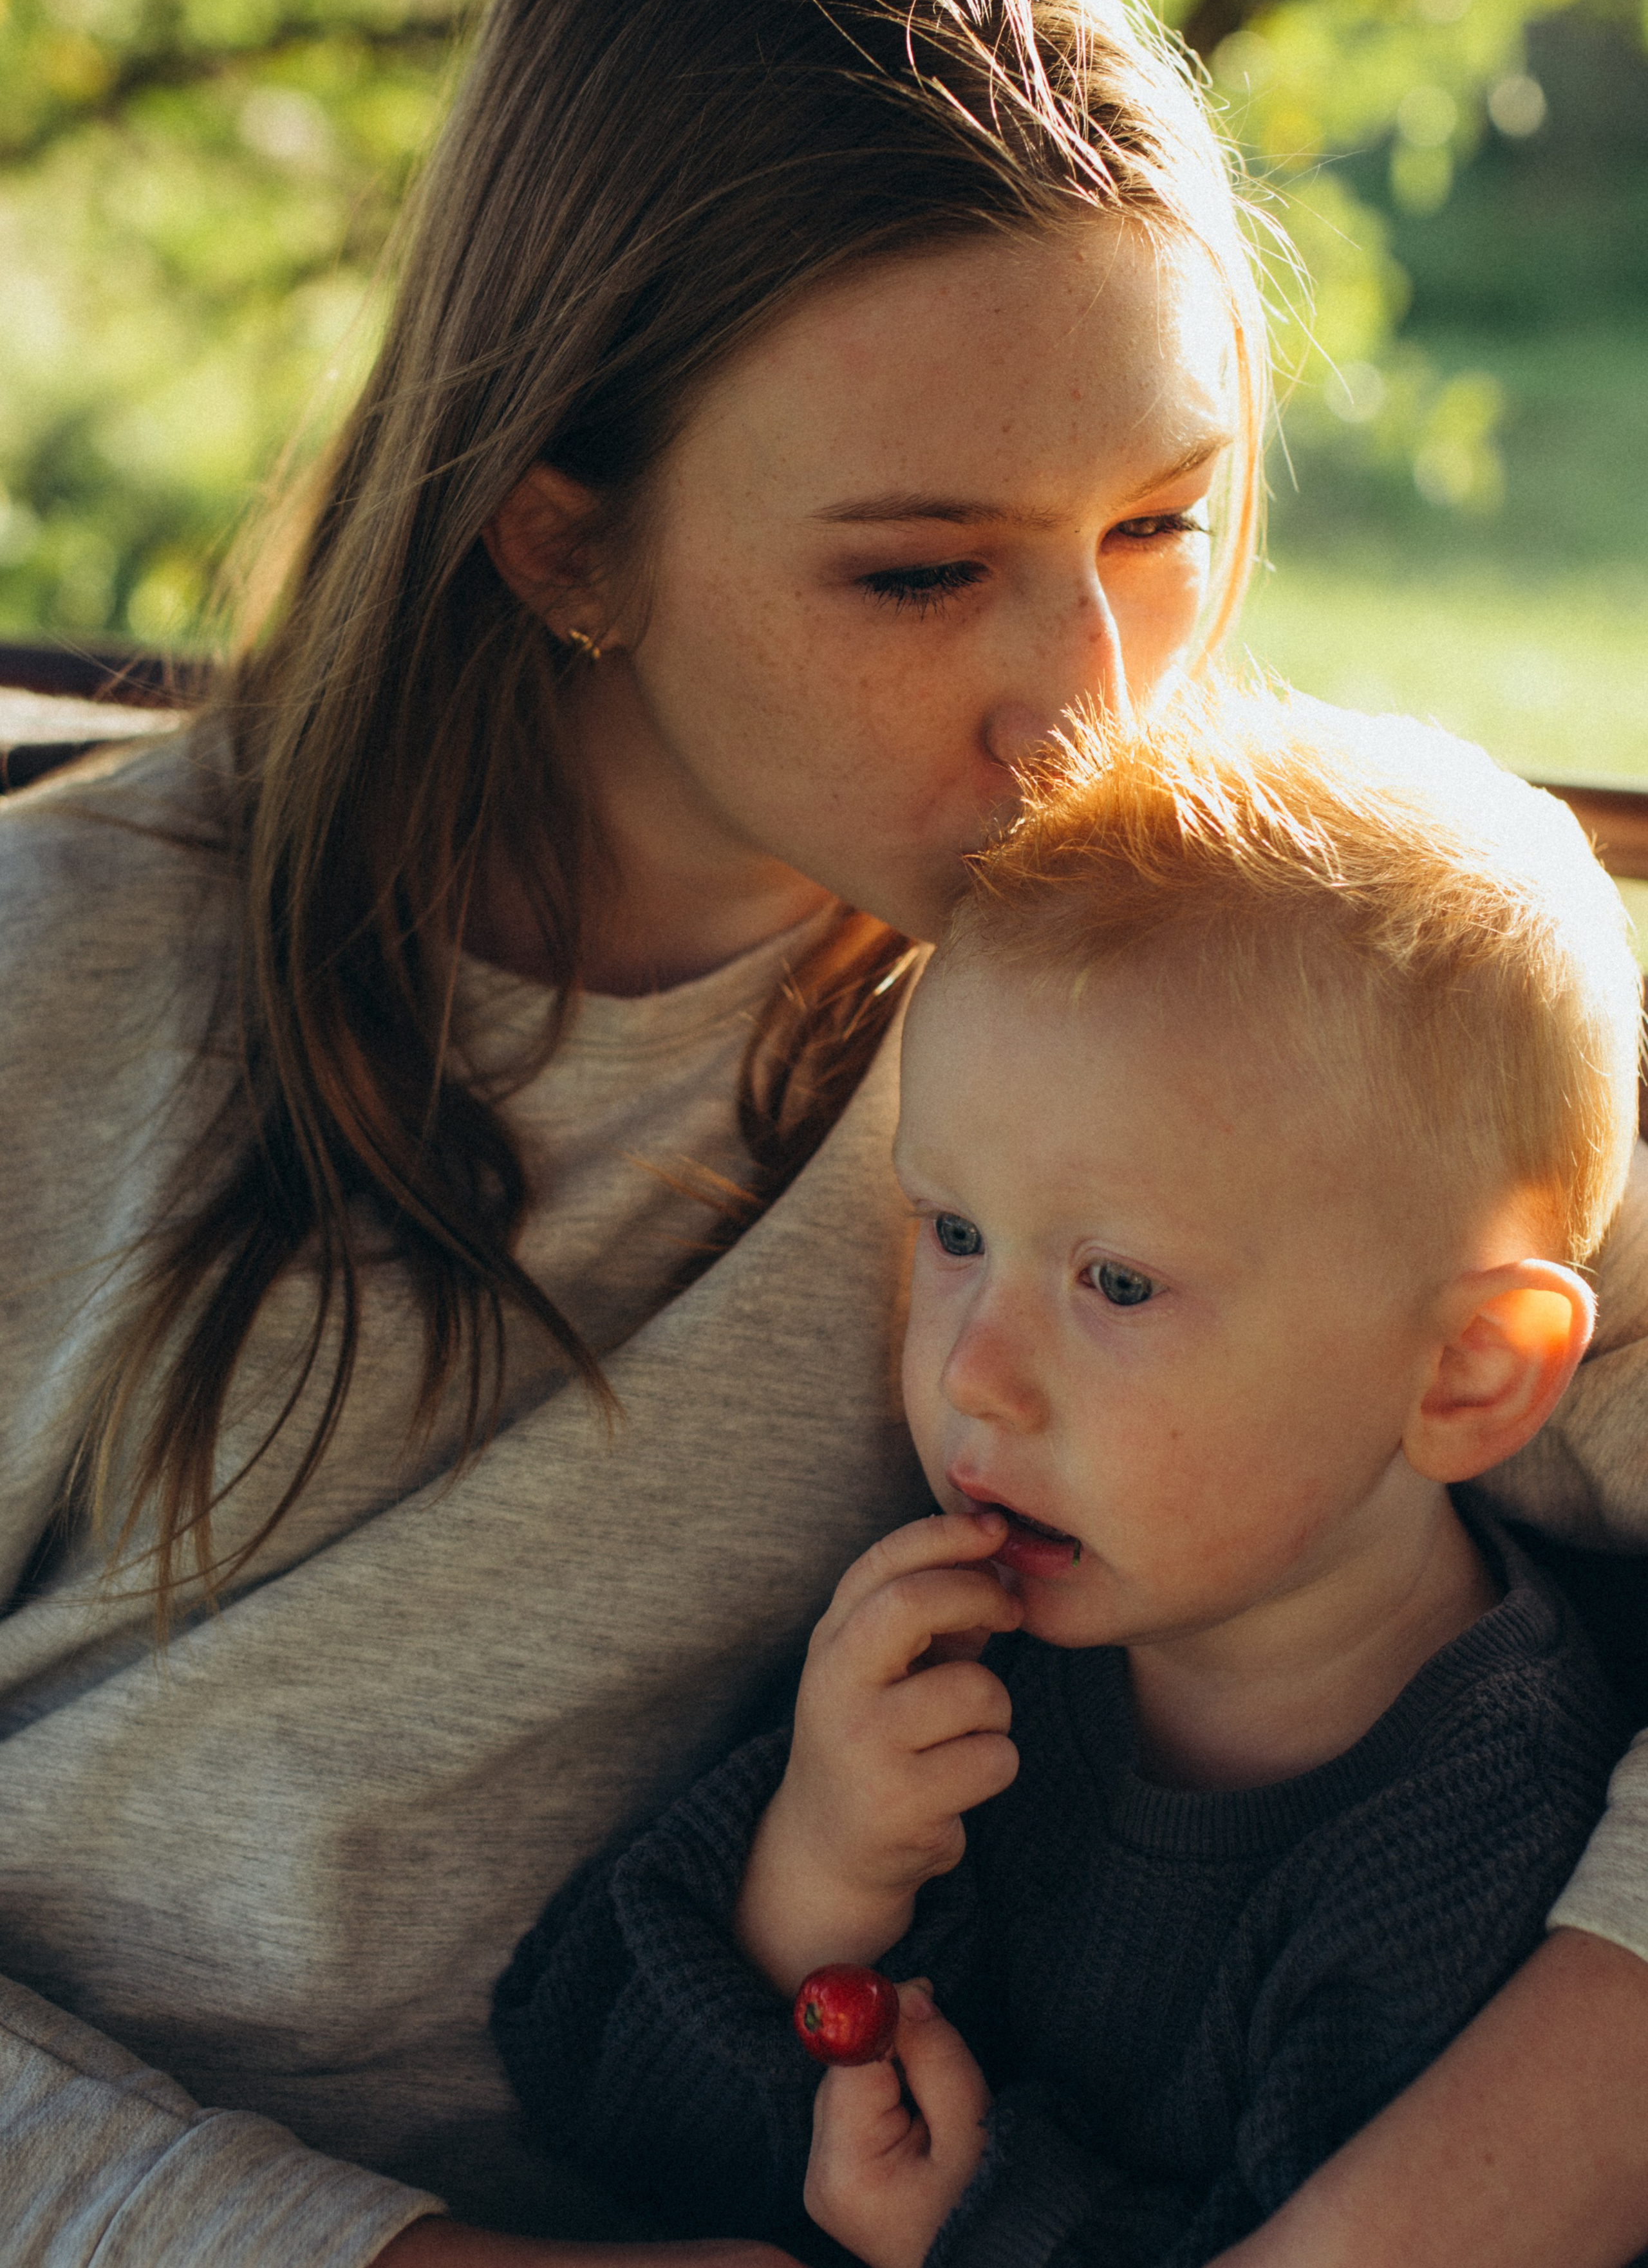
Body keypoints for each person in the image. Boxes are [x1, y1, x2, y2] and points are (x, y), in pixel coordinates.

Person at [0, 0, 1643, 2267]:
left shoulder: (1259, 997)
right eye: (919, 569)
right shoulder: (73, 988)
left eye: (1165, 523)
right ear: (564, 535)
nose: (1089, 716)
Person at [490, 682, 1642, 2267]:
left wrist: (983, 2224)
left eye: (1114, 1284)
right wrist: (809, 1883)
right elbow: (592, 2119)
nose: (970, 1370)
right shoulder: (966, 1656)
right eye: (953, 1235)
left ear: (1467, 1372)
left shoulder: (1481, 1841)